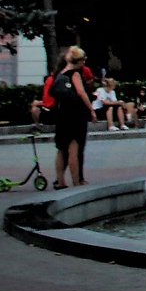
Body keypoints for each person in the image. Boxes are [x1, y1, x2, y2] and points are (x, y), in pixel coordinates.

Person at [52, 46, 93, 188]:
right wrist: (91, 110)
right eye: (84, 59)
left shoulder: (59, 73)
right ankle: (76, 182)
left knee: (61, 149)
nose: (84, 62)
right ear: (79, 60)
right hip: (75, 115)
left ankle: (60, 181)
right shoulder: (75, 74)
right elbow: (81, 93)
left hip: (62, 115)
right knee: (74, 150)